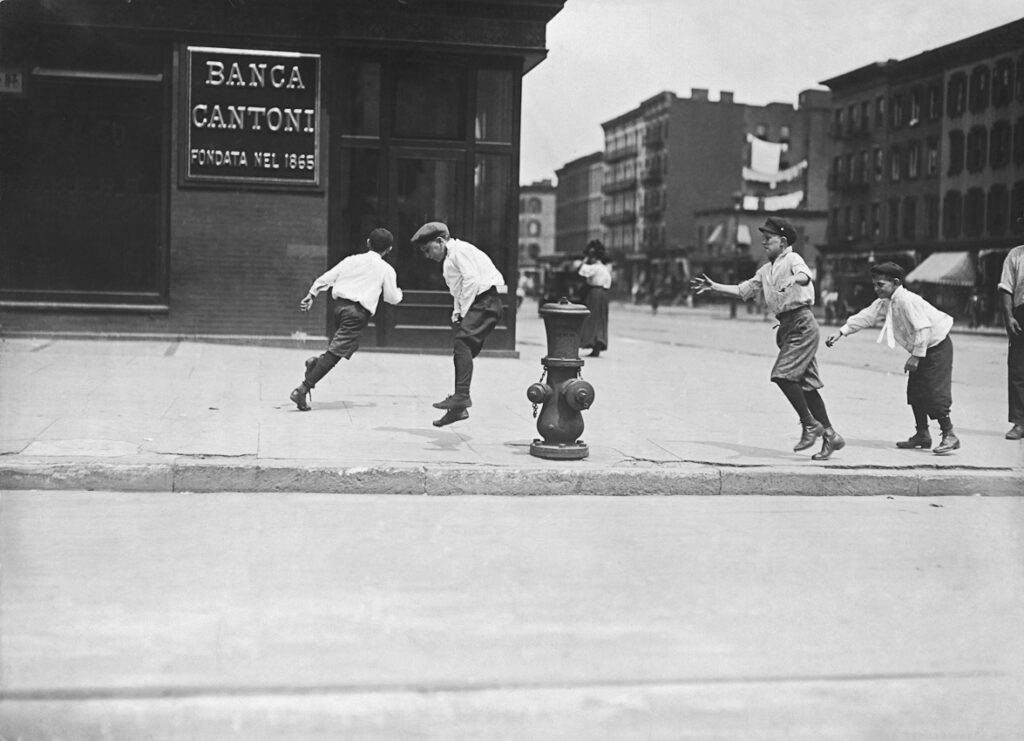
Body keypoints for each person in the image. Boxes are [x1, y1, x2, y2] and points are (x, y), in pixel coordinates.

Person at [690, 216, 844, 460]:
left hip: (802, 323)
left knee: (782, 375)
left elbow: (805, 275)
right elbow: (744, 290)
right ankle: (831, 436)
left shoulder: (793, 258)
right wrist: (715, 286)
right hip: (787, 327)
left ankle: (810, 424)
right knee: (806, 387)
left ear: (783, 241)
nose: (763, 242)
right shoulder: (765, 270)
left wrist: (794, 279)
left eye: (768, 238)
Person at [825, 262, 959, 455]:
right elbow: (867, 316)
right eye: (875, 285)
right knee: (916, 391)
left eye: (880, 284)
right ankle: (922, 434)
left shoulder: (907, 300)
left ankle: (950, 434)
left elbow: (923, 329)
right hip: (922, 348)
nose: (876, 289)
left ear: (895, 282)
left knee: (934, 391)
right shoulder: (886, 302)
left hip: (936, 347)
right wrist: (841, 332)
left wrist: (915, 356)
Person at [289, 228, 403, 411]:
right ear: (388, 249)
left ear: (368, 243)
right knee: (336, 354)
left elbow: (329, 276)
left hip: (339, 308)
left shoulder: (352, 260)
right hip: (357, 313)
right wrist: (399, 294)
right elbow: (391, 298)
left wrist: (312, 293)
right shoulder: (386, 269)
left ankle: (317, 363)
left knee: (346, 346)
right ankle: (302, 389)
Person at [411, 221, 506, 428]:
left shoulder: (460, 250)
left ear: (440, 241)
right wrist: (457, 311)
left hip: (485, 301)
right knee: (464, 351)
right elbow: (459, 287)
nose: (428, 256)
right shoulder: (449, 258)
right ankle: (459, 408)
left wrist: (464, 311)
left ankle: (461, 397)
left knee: (462, 344)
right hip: (479, 303)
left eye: (428, 250)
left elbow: (471, 280)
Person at [998, 223, 1024, 440]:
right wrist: (1009, 317)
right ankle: (1019, 422)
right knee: (1018, 368)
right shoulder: (1016, 255)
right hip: (1021, 313)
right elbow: (1006, 287)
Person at [577, 239, 612, 357]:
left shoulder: (595, 267)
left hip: (595, 293)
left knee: (591, 319)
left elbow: (580, 271)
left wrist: (585, 259)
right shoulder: (604, 268)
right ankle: (597, 344)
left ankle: (592, 342)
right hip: (604, 294)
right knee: (600, 320)